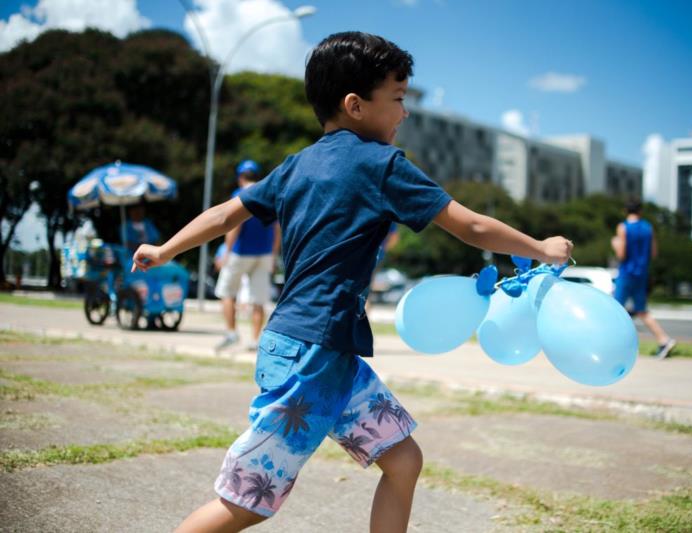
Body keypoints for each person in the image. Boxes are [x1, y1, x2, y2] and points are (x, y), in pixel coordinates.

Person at [132, 31, 572, 533]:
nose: (405, 112)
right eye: (399, 99)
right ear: (356, 105)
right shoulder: (381, 165)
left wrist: (165, 248)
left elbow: (223, 215)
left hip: (323, 350)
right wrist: (541, 248)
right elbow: (468, 225)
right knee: (249, 498)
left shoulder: (296, 165)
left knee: (403, 461)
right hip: (313, 355)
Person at [214, 160, 281, 352]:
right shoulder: (269, 195)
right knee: (258, 299)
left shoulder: (239, 195)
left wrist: (225, 252)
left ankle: (231, 333)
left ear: (240, 178)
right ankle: (254, 340)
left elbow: (234, 225)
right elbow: (277, 229)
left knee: (227, 292)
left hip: (240, 252)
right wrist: (274, 254)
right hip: (264, 254)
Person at [611, 197, 676, 359]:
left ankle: (616, 347)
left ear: (625, 211)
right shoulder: (648, 228)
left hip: (626, 273)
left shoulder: (623, 227)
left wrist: (615, 244)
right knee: (642, 311)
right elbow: (653, 253)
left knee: (614, 310)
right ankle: (664, 340)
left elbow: (621, 254)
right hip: (642, 274)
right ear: (640, 211)